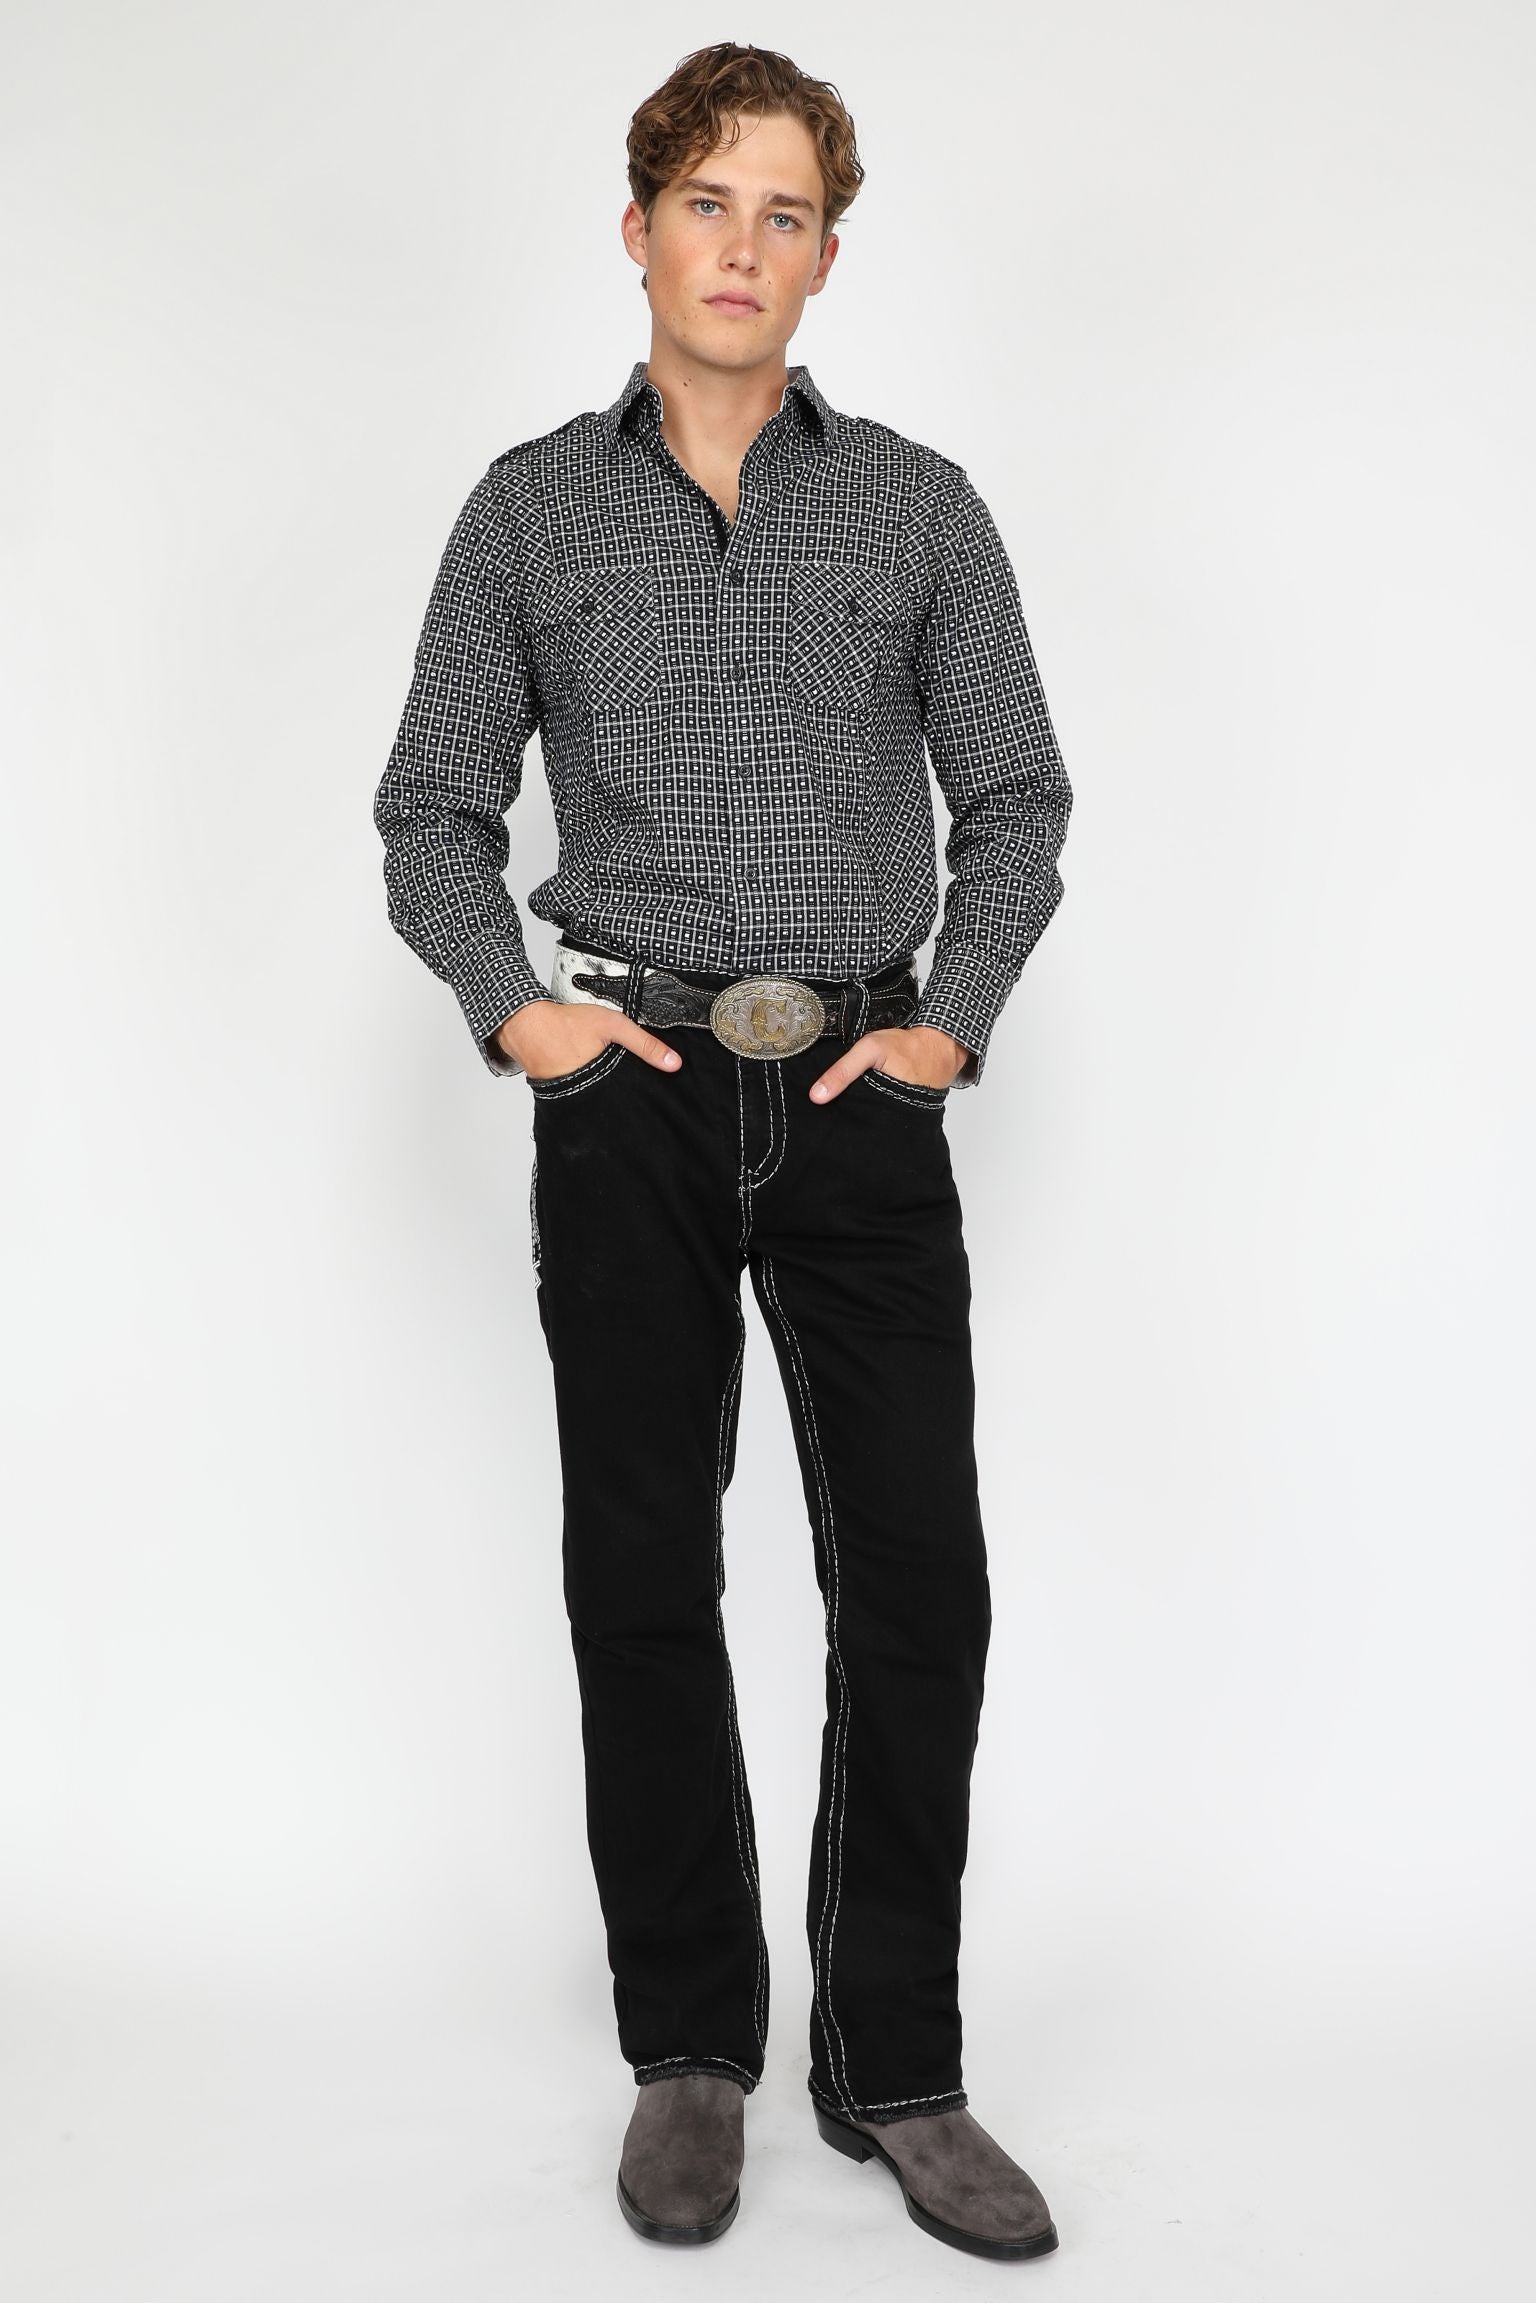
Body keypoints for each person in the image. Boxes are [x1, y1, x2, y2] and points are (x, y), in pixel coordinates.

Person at [372, 40, 1072, 2265]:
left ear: (828, 256)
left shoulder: (923, 508)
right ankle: (689, 2052)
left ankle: (896, 2065)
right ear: (640, 226)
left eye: (786, 215)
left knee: (921, 1580)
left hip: (864, 1094)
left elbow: (1019, 797)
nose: (743, 248)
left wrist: (950, 1024)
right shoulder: (528, 511)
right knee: (644, 1575)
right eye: (707, 203)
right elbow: (432, 810)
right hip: (638, 1098)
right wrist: (526, 1018)